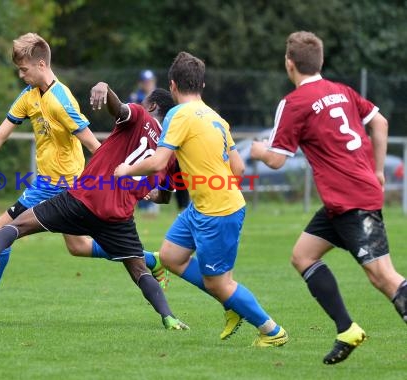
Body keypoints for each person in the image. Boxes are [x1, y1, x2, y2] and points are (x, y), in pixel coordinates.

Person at [0, 85, 189, 330]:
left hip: (84, 197)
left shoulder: (140, 115)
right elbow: (164, 198)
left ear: (151, 107)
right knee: (139, 270)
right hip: (117, 216)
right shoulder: (170, 155)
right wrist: (147, 191)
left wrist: (104, 89)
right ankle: (168, 317)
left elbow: (118, 108)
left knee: (17, 225)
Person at [250, 31, 407, 364]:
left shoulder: (294, 102)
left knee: (384, 277)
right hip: (343, 200)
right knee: (303, 256)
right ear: (320, 61)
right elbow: (380, 122)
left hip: (353, 201)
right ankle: (347, 328)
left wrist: (259, 150)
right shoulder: (342, 91)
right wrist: (377, 170)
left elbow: (277, 159)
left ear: (289, 64)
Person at [114, 51, 288, 347]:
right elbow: (239, 168)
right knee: (169, 257)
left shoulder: (177, 115)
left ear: (171, 85)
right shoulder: (215, 117)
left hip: (217, 211)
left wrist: (126, 170)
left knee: (220, 284)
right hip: (204, 206)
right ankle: (232, 303)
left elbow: (158, 162)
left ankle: (272, 331)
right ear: (202, 85)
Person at [0, 32, 102, 318]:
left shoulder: (61, 100)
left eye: (24, 69)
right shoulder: (28, 97)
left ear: (41, 64)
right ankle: (148, 259)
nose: (20, 75)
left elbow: (94, 145)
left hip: (67, 185)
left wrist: (116, 180)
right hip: (45, 183)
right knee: (78, 247)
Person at [129, 69, 160, 217]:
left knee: (155, 171)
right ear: (141, 83)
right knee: (140, 172)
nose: (149, 84)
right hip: (140, 140)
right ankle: (142, 204)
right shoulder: (137, 97)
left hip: (156, 139)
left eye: (151, 81)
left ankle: (153, 204)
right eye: (146, 82)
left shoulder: (160, 98)